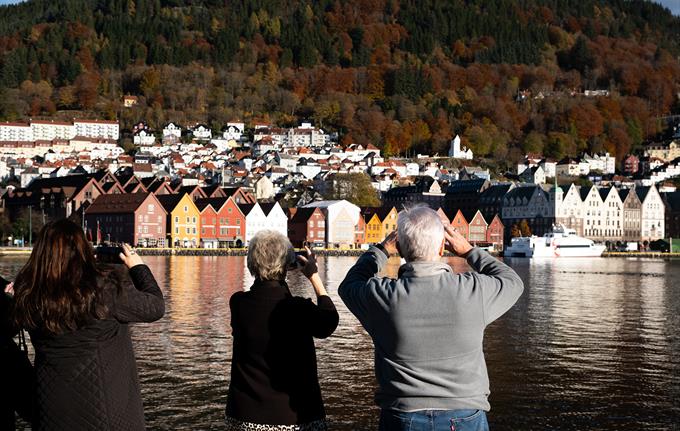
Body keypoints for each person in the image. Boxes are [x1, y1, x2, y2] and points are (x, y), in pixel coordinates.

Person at [338, 206, 524, 431]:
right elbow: (513, 282)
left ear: (400, 248)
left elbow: (349, 284)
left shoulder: (381, 296)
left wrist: (381, 251)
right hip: (464, 414)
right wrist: (468, 251)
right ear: (442, 246)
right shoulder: (474, 291)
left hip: (402, 415)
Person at [12, 219, 165, 431]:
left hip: (51, 414)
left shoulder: (27, 293)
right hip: (110, 416)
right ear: (83, 250)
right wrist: (138, 268)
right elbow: (155, 307)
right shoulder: (104, 288)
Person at [226, 230, 339, 431]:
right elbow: (329, 321)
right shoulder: (298, 309)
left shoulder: (238, 303)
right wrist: (313, 277)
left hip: (244, 415)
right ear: (286, 266)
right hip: (294, 419)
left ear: (251, 262)